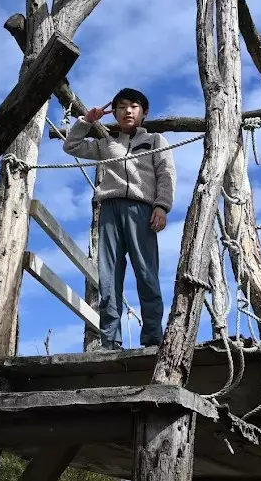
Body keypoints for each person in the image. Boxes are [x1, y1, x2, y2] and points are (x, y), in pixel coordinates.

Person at [63, 88, 176, 350]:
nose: (127, 111)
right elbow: (71, 146)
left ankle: (152, 338)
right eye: (122, 106)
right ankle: (110, 340)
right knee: (109, 275)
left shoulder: (156, 140)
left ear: (144, 112)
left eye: (134, 106)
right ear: (114, 113)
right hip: (110, 210)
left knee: (146, 274)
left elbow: (166, 174)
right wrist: (87, 121)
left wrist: (162, 207)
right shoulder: (107, 144)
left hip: (142, 210)